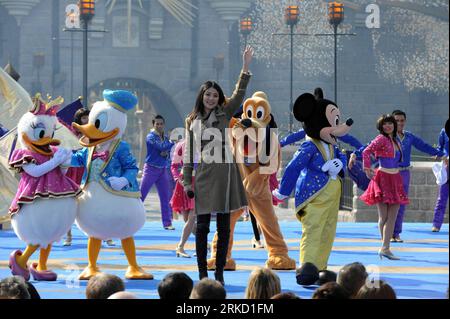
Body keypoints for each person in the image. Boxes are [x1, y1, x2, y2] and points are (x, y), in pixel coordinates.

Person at [183, 46, 253, 285]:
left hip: (227, 175)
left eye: (215, 95)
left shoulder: (225, 112)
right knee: (202, 227)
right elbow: (189, 154)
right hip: (204, 175)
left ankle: (219, 273)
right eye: (208, 94)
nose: (211, 98)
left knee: (224, 228)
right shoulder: (191, 121)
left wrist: (245, 67)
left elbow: (240, 93)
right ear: (201, 96)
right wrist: (186, 181)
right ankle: (202, 274)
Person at [391, 110, 445, 242]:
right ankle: (388, 233)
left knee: (401, 204)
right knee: (390, 204)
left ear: (405, 121)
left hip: (404, 173)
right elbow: (370, 148)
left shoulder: (409, 137)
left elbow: (424, 146)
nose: (400, 123)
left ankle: (396, 233)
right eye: (396, 120)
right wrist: (355, 155)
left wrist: (440, 154)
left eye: (402, 120)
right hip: (390, 174)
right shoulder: (386, 137)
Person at [360, 114, 409, 260]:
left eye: (390, 123)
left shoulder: (395, 140)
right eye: (384, 124)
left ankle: (385, 247)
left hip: (395, 178)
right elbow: (366, 151)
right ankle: (385, 247)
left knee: (392, 217)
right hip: (383, 178)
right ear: (381, 127)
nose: (387, 126)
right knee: (385, 217)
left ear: (394, 125)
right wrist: (367, 169)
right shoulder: (381, 138)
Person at [140, 115, 175, 230]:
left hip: (162, 169)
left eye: (161, 124)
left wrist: (166, 148)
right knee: (141, 195)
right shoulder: (150, 137)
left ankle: (167, 223)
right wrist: (170, 144)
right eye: (157, 124)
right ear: (153, 124)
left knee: (165, 197)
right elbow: (160, 147)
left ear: (163, 124)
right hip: (150, 169)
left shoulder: (164, 137)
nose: (159, 126)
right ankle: (131, 218)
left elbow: (165, 149)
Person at [170, 139, 196, 257]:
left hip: (198, 182)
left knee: (191, 218)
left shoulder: (205, 143)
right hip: (184, 183)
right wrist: (177, 179)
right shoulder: (181, 145)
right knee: (187, 220)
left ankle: (180, 246)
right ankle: (203, 242)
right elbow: (174, 166)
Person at [432, 119, 449, 232]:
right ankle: (436, 224)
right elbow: (440, 147)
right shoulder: (444, 131)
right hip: (446, 167)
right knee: (442, 197)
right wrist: (437, 154)